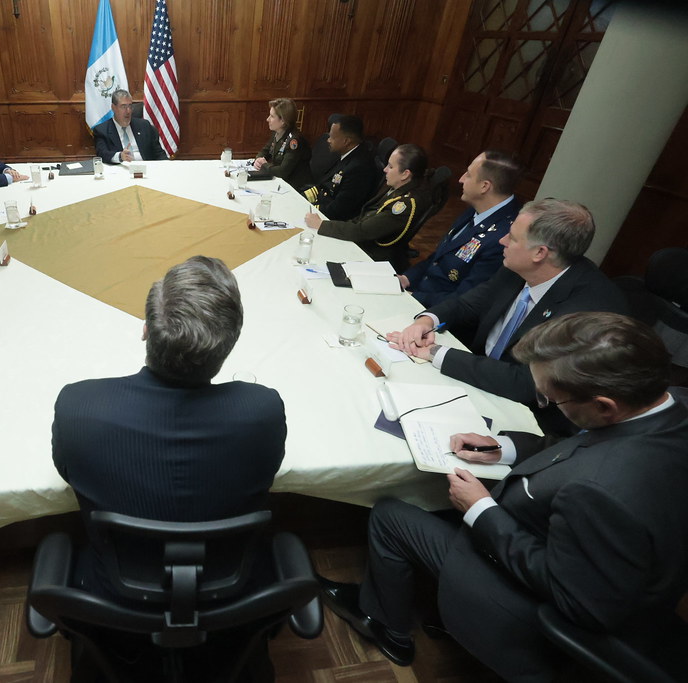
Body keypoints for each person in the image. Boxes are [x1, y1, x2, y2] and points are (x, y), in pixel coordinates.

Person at [317, 312, 688, 682]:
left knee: (388, 515)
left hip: (529, 614)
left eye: (551, 400)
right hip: (596, 558)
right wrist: (505, 448)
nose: (547, 402)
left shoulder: (604, 490)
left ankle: (387, 628)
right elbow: (586, 445)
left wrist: (481, 509)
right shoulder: (665, 408)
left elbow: (575, 600)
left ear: (604, 405)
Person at [52, 256, 286, 597]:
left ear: (146, 330)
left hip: (115, 597)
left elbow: (66, 470)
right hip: (231, 591)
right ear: (230, 344)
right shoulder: (262, 410)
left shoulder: (78, 406)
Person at [387, 198, 628, 435]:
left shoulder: (587, 312)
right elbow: (470, 304)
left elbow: (529, 383)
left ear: (539, 253)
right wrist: (427, 320)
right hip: (478, 380)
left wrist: (436, 353)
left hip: (526, 419)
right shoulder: (517, 267)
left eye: (512, 237)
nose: (502, 240)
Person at [400, 150, 523, 306]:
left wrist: (412, 297)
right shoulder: (478, 209)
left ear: (484, 186)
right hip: (420, 293)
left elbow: (465, 299)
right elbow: (438, 257)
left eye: (469, 175)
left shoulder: (504, 237)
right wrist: (406, 279)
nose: (461, 179)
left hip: (440, 315)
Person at [305, 143, 433, 269]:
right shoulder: (397, 188)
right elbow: (365, 216)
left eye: (390, 166)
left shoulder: (404, 205)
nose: (385, 169)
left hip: (371, 256)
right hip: (362, 241)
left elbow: (363, 231)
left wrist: (321, 225)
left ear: (405, 174)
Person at [301, 115, 379, 221]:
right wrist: (302, 197)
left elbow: (339, 210)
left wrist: (307, 209)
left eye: (332, 137)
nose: (328, 140)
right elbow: (327, 186)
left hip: (334, 222)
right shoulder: (348, 154)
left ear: (346, 141)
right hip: (324, 205)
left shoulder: (359, 167)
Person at [252, 97, 312, 192]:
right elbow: (265, 151)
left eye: (272, 116)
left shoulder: (294, 141)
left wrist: (264, 165)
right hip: (280, 183)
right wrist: (258, 159)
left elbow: (282, 171)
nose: (268, 119)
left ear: (283, 121)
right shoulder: (278, 132)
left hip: (294, 189)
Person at [92, 89, 167, 163]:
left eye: (130, 106)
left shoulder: (144, 126)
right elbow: (102, 154)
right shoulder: (102, 130)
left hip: (146, 168)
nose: (128, 111)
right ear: (113, 108)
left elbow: (159, 153)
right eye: (123, 107)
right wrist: (120, 156)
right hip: (120, 171)